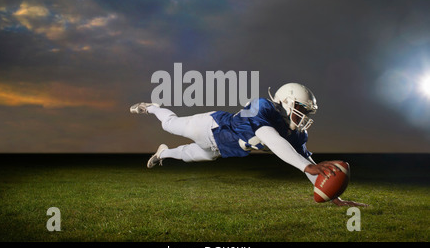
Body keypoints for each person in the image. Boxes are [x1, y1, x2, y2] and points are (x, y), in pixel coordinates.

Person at [130, 83, 367, 207]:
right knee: (169, 125)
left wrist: (333, 195)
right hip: (209, 127)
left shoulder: (297, 135)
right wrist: (306, 167)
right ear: (286, 102)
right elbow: (269, 137)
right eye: (302, 109)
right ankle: (151, 107)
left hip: (222, 149)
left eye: (307, 111)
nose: (304, 115)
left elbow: (309, 164)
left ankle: (163, 153)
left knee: (190, 155)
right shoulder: (262, 106)